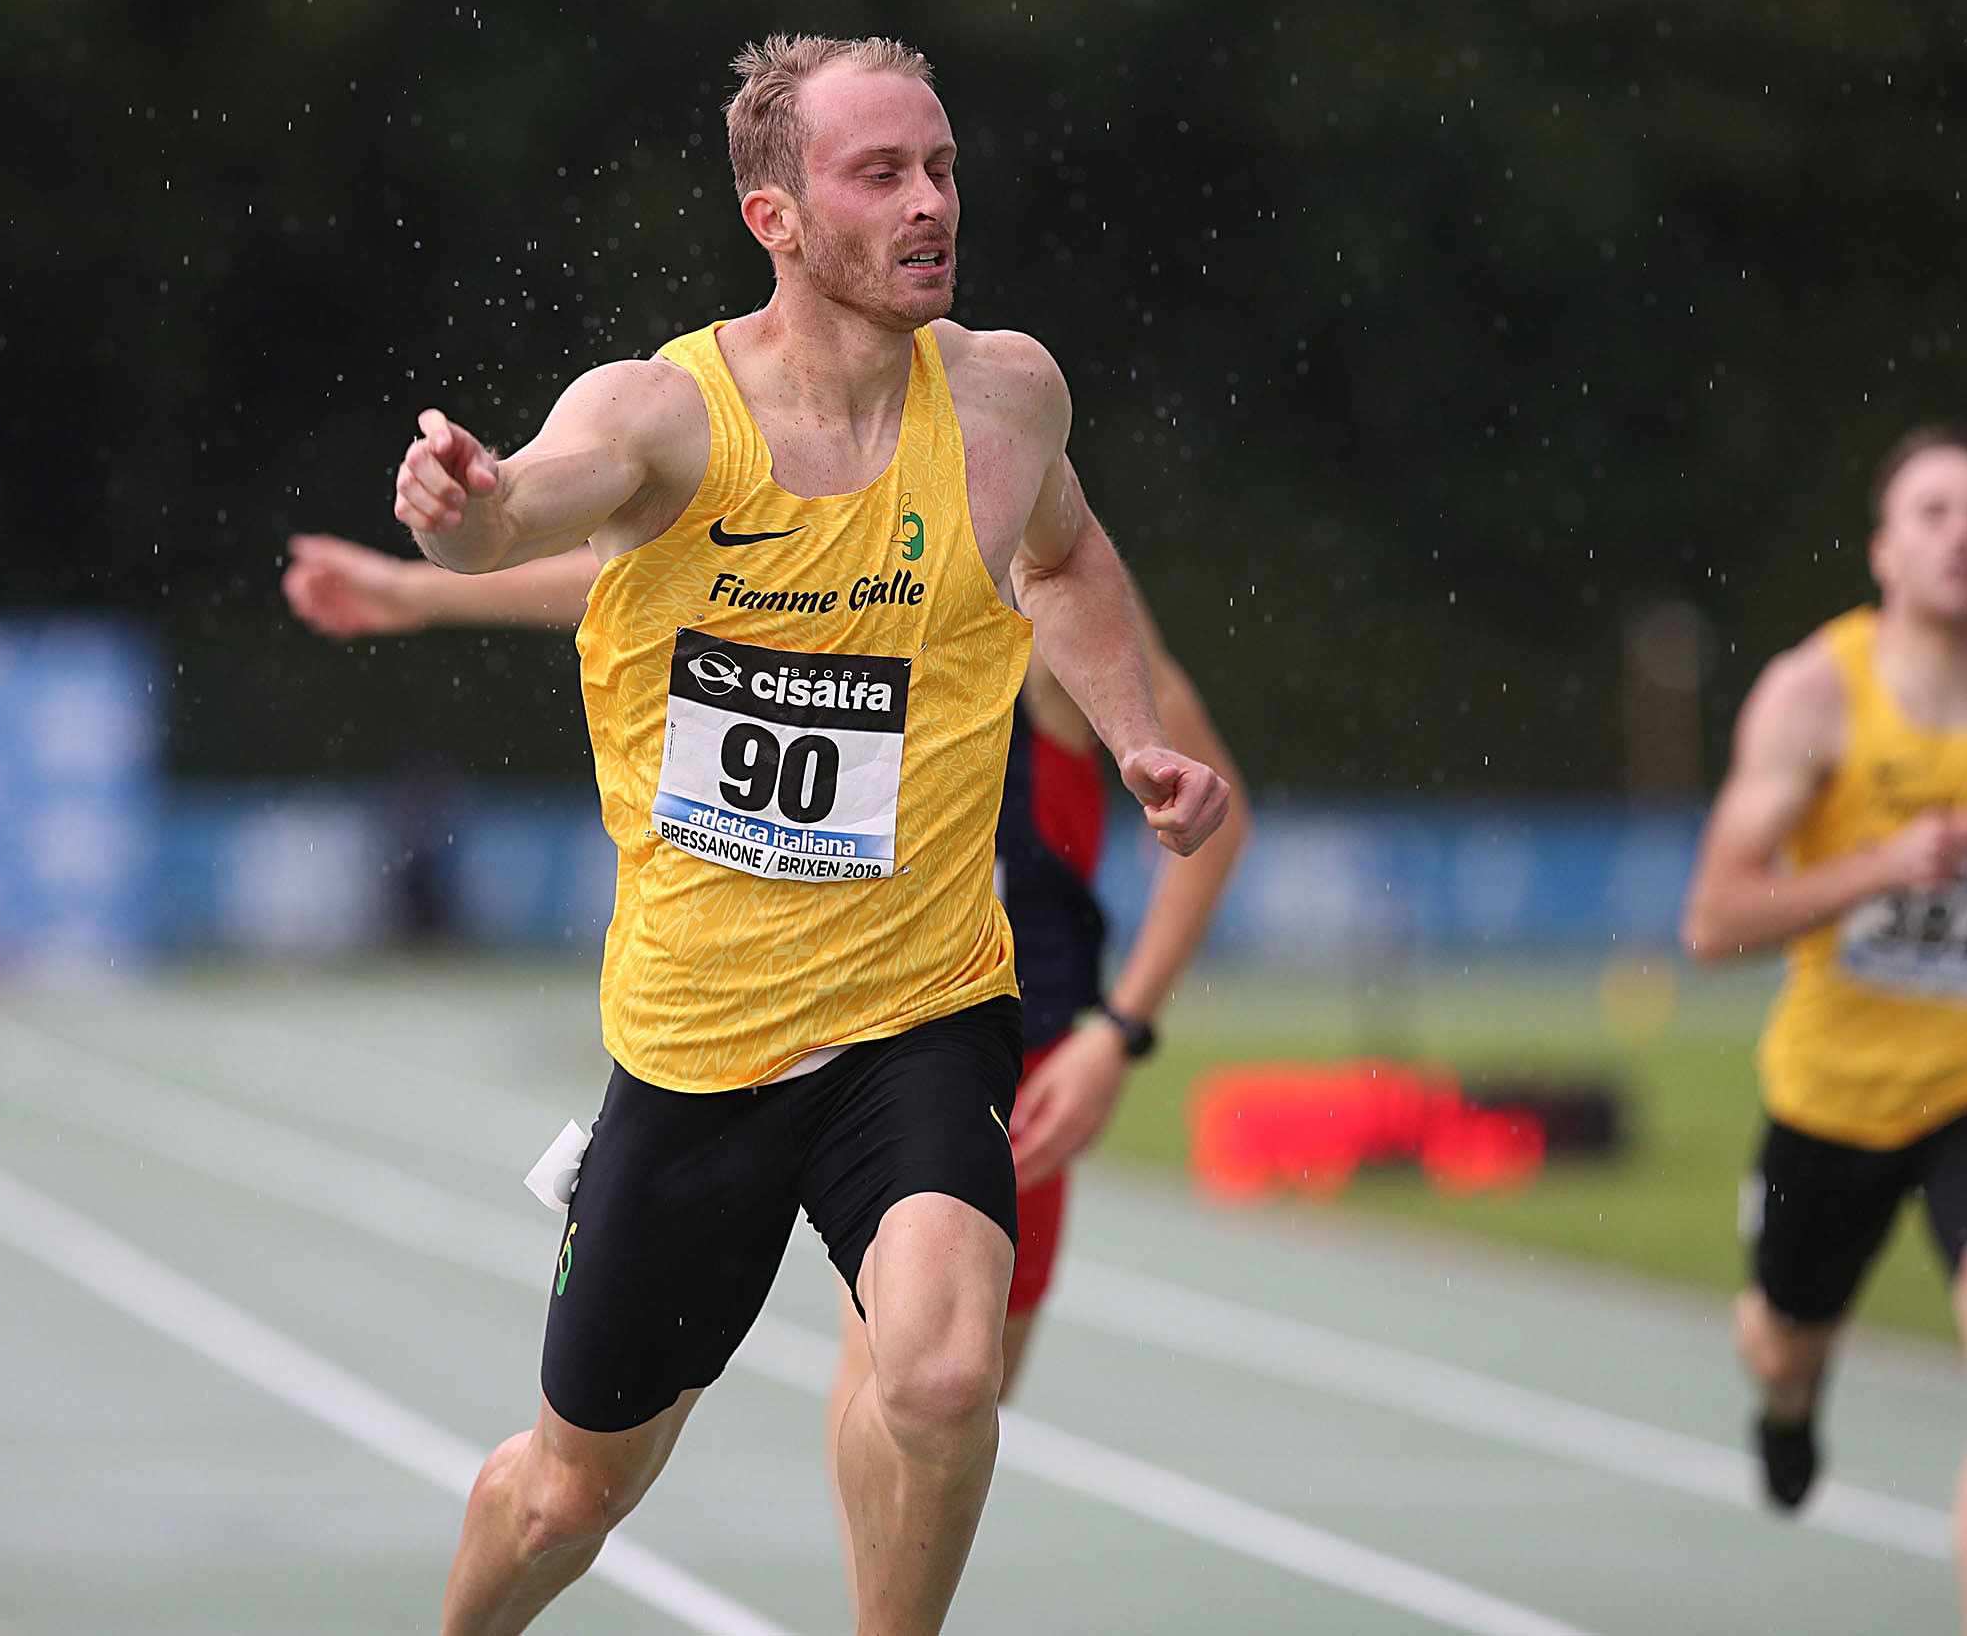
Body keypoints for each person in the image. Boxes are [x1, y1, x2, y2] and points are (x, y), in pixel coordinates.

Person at [385, 33, 1231, 1636]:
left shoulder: (1005, 396)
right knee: (566, 1497)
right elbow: (524, 508)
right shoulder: (664, 415)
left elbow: (1062, 558)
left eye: (943, 168)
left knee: (944, 1374)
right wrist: (467, 508)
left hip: (920, 1008)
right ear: (773, 217)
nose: (931, 204)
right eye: (881, 174)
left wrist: (1136, 739)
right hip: (697, 1045)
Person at [283, 533, 1251, 1419]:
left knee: (955, 1401)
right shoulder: (836, 529)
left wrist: (1117, 1031)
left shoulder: (1051, 580)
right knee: (888, 1367)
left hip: (1013, 1048)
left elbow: (1211, 807)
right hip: (868, 1031)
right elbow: (638, 576)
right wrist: (417, 590)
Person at [1678, 424, 1967, 1636]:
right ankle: (1790, 1399)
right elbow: (1714, 917)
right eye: (1933, 512)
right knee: (1783, 1342)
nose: (1962, 533)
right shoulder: (1815, 694)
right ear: (1885, 551)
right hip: (1835, 1088)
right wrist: (1880, 865)